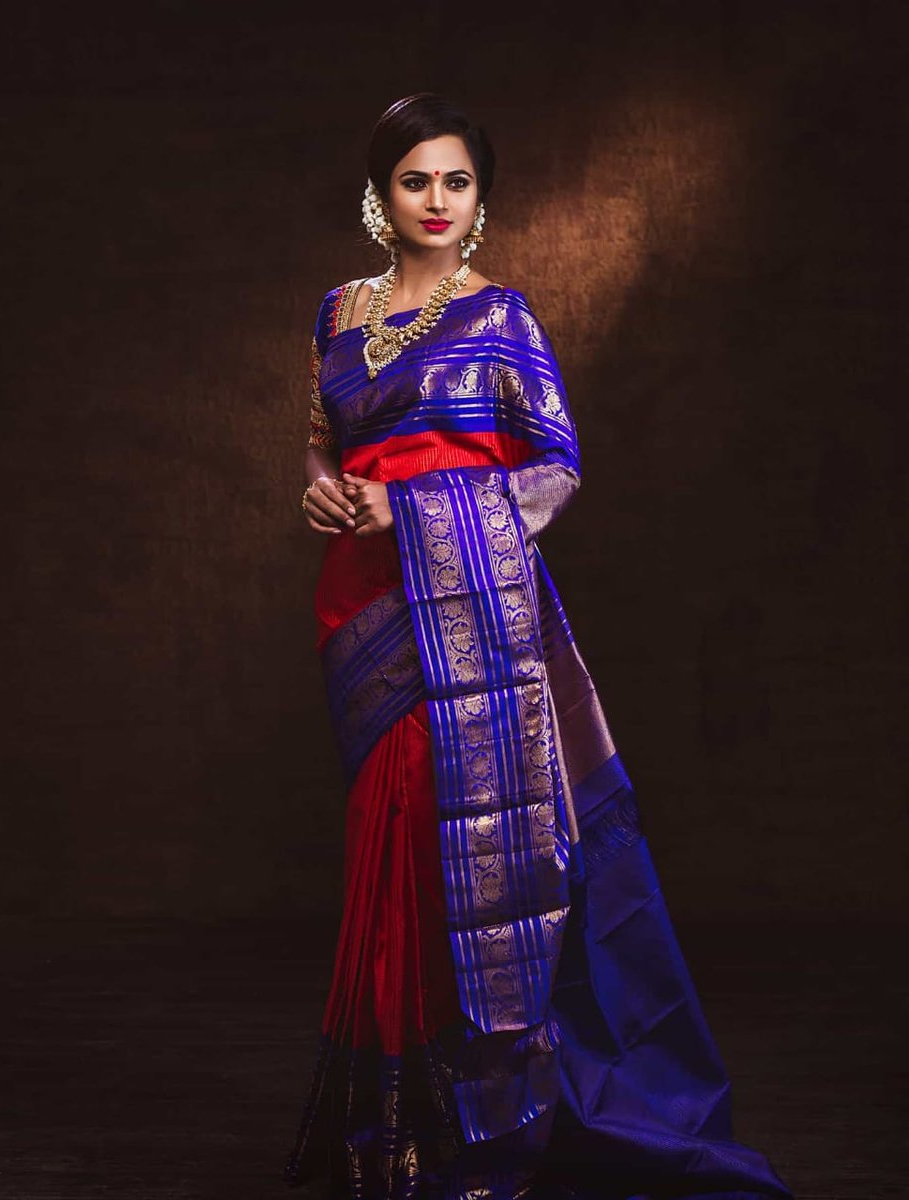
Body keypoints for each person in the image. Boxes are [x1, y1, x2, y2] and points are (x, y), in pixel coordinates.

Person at [284, 93, 793, 1200]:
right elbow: (323, 442)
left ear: (481, 199)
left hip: (470, 608)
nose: (437, 200)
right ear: (381, 195)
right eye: (415, 180)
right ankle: (382, 1121)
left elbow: (555, 470)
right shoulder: (337, 313)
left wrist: (412, 511)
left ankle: (463, 1123)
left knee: (459, 847)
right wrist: (323, 489)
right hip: (362, 605)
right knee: (384, 843)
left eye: (457, 181)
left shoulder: (503, 319)